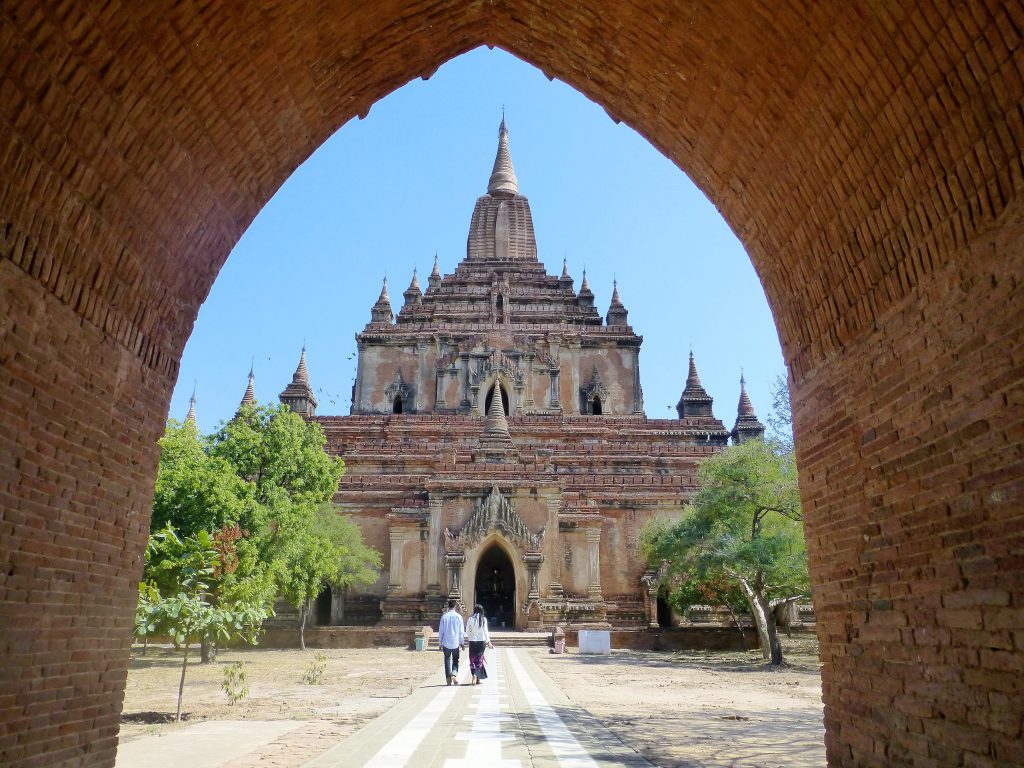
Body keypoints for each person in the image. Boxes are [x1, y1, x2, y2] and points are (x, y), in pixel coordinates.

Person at [438, 599, 465, 685]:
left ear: (448, 606)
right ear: (455, 607)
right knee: (455, 659)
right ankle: (454, 673)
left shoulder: (444, 617)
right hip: (455, 643)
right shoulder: (459, 617)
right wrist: (462, 643)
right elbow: (461, 632)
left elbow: (441, 631)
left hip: (446, 642)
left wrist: (440, 643)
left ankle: (448, 679)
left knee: (447, 660)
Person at [465, 603, 493, 685]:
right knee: (479, 659)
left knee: (472, 659)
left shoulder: (470, 619)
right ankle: (477, 677)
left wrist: (471, 636)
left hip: (473, 641)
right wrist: (489, 642)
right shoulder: (483, 619)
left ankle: (474, 675)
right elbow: (486, 632)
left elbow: (467, 630)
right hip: (481, 642)